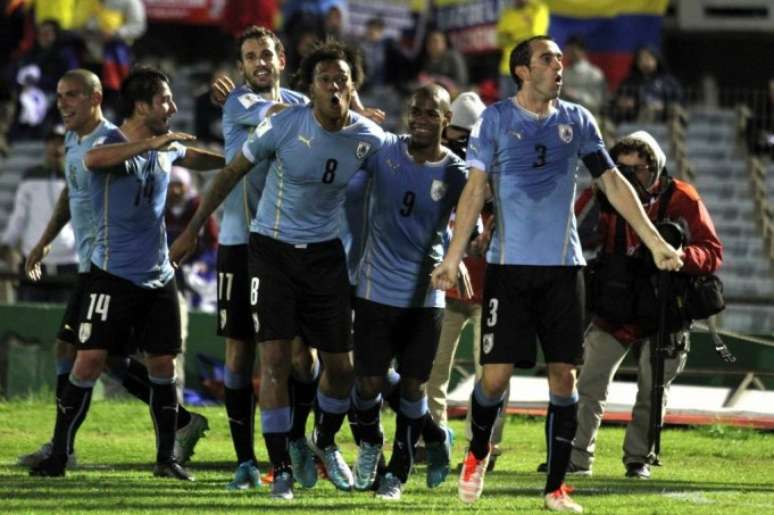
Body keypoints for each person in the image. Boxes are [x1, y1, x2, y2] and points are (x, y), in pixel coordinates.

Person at [430, 36, 683, 512]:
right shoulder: (496, 120)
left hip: (564, 269)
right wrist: (453, 257)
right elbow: (474, 190)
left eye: (561, 58)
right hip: (509, 269)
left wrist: (655, 242)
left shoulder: (578, 120)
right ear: (523, 70)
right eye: (548, 58)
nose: (559, 65)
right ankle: (477, 453)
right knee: (495, 379)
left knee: (565, 377)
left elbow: (612, 182)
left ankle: (556, 488)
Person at [170, 40, 386, 500]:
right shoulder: (282, 123)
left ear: (353, 87)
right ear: (309, 86)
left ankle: (323, 441)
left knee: (341, 369)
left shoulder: (369, 138)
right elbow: (229, 174)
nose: (333, 86)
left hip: (325, 255)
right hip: (269, 249)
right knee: (271, 361)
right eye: (325, 79)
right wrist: (190, 231)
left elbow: (406, 172)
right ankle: (280, 469)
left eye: (341, 80)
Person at [28, 66, 224, 480]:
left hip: (158, 274)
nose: (172, 107)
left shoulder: (167, 146)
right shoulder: (106, 141)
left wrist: (244, 158)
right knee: (88, 361)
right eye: (165, 100)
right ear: (141, 105)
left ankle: (166, 458)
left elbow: (201, 160)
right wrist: (154, 142)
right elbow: (95, 161)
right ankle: (59, 455)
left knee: (163, 367)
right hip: (110, 274)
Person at [567, 131, 723, 479]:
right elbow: (572, 231)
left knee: (653, 389)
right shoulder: (601, 193)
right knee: (590, 381)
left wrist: (682, 256)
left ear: (655, 168)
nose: (628, 177)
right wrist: (598, 203)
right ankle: (577, 458)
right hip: (615, 301)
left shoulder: (682, 196)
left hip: (664, 304)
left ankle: (639, 458)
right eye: (620, 169)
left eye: (637, 170)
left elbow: (712, 251)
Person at [347, 84, 466, 499]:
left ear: (446, 121)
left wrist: (457, 258)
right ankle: (404, 441)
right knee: (368, 385)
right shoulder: (383, 151)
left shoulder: (456, 173)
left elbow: (473, 228)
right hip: (374, 287)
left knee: (414, 388)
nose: (419, 118)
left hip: (425, 296)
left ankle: (397, 473)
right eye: (414, 111)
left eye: (430, 113)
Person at [212, 25, 316, 491]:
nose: (257, 61)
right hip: (239, 241)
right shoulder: (241, 102)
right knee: (240, 354)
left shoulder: (302, 101)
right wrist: (340, 110)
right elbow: (287, 118)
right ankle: (246, 460)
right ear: (242, 66)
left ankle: (295, 441)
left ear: (281, 59)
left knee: (300, 355)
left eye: (265, 54)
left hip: (289, 244)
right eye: (249, 55)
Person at [424, 91, 510, 469]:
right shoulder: (435, 164)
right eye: (454, 133)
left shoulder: (497, 166)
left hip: (490, 284)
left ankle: (483, 447)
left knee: (489, 375)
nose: (457, 142)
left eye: (464, 135)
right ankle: (433, 440)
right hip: (446, 284)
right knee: (432, 370)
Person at [0, 125, 78, 303]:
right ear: (46, 146)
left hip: (68, 261)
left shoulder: (76, 176)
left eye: (60, 143)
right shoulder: (31, 176)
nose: (56, 148)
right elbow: (19, 216)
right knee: (30, 321)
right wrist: (7, 243)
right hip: (35, 260)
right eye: (52, 143)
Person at [611, 47, 683, 123]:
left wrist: (664, 105)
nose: (645, 62)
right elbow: (619, 99)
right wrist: (624, 102)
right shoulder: (629, 81)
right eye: (641, 59)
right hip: (634, 117)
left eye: (648, 58)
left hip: (663, 117)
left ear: (657, 60)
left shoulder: (668, 81)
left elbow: (679, 101)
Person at [496, 0, 549, 99]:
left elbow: (536, 37)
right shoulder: (507, 14)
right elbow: (499, 39)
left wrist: (512, 37)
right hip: (507, 69)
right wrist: (523, 35)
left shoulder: (537, 9)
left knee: (527, 110)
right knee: (505, 110)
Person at [560, 36, 606, 116]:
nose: (569, 53)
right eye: (568, 50)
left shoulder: (594, 74)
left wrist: (576, 95)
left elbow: (597, 103)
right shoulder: (565, 73)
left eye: (572, 50)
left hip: (588, 118)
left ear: (582, 51)